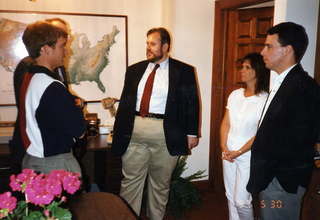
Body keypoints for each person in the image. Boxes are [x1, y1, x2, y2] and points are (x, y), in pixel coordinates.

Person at [112, 27, 200, 219]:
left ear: (165, 46)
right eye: (147, 43)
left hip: (166, 132)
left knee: (160, 184)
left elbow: (191, 103)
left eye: (153, 44)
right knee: (130, 182)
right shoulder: (134, 70)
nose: (148, 48)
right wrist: (117, 129)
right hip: (135, 130)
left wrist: (192, 133)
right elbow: (126, 101)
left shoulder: (183, 71)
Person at [246, 22, 320, 219]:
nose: (262, 52)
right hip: (270, 177)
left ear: (287, 50)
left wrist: (276, 177)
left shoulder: (304, 88)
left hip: (282, 181)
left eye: (269, 46)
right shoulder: (283, 81)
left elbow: (302, 140)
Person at [9, 18, 84, 174]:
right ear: (45, 49)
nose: (66, 51)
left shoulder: (30, 77)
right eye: (62, 46)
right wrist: (76, 107)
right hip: (55, 164)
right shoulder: (50, 85)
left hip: (33, 158)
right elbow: (79, 129)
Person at [220, 53, 269, 220]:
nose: (242, 70)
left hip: (247, 155)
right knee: (230, 196)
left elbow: (260, 135)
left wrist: (239, 152)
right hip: (228, 152)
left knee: (242, 201)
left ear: (257, 71)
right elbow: (225, 123)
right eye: (242, 67)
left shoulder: (264, 100)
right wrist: (224, 147)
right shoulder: (235, 95)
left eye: (247, 67)